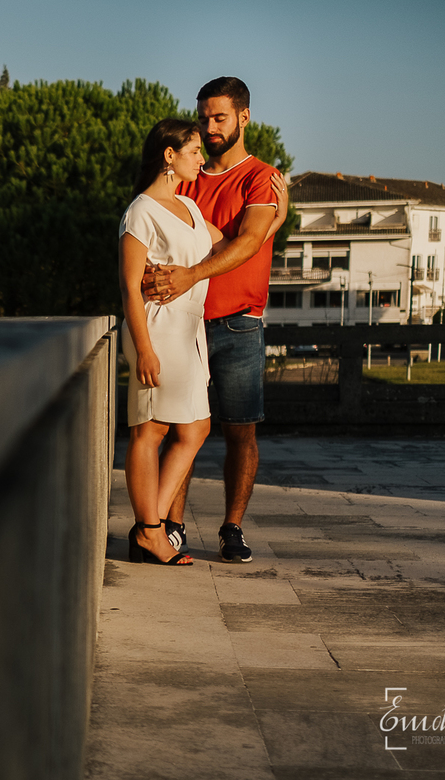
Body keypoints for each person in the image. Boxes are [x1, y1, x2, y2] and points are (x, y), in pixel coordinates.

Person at [119, 118, 282, 565]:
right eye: (192, 150)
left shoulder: (188, 208)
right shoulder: (141, 211)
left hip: (190, 330)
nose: (200, 157)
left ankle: (147, 528)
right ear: (168, 156)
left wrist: (276, 221)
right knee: (150, 430)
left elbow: (230, 246)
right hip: (158, 328)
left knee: (195, 428)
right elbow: (131, 288)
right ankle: (151, 532)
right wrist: (145, 349)